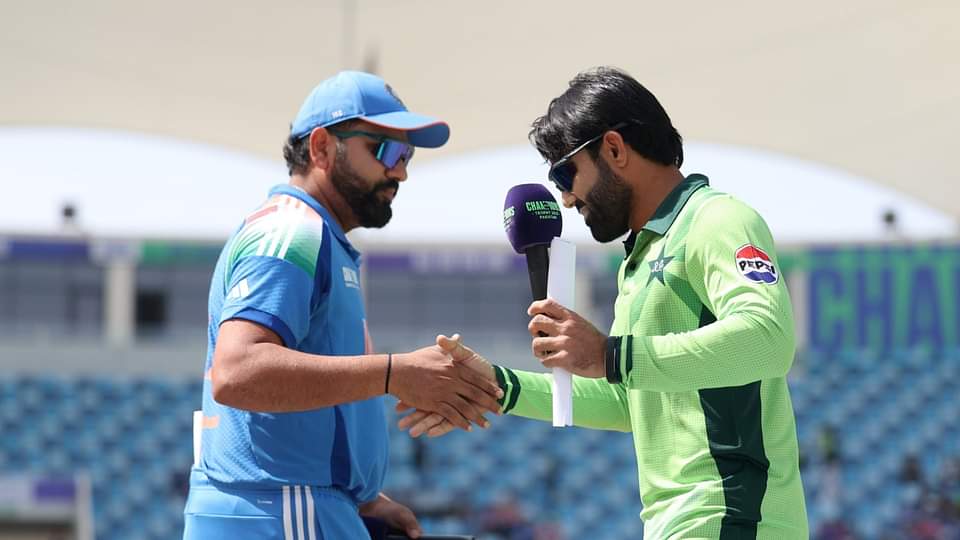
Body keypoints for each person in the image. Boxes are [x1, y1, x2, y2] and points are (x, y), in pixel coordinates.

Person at [399, 67, 808, 539]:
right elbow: (628, 399)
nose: (567, 199)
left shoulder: (717, 218)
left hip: (736, 519)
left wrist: (610, 354)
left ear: (614, 148)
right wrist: (499, 386)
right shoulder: (639, 258)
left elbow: (770, 339)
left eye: (564, 173)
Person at [183, 71, 503, 540]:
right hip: (283, 509)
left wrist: (362, 499)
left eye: (407, 154)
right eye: (386, 150)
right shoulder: (294, 232)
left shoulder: (316, 236)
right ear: (321, 148)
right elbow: (238, 372)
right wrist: (396, 373)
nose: (401, 171)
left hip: (294, 506)